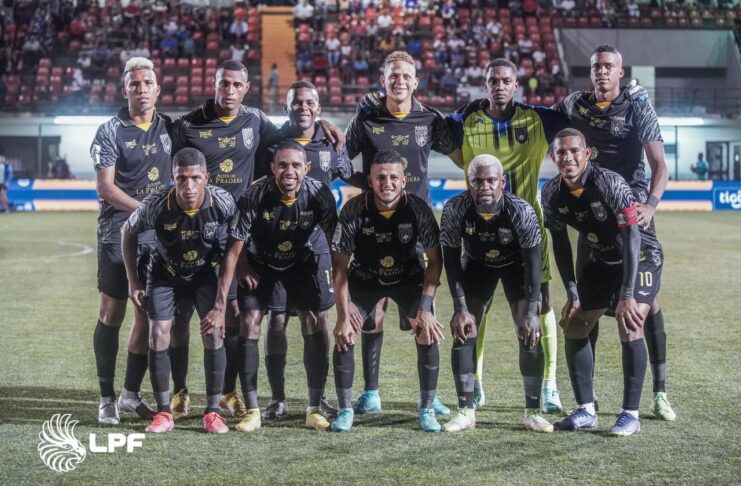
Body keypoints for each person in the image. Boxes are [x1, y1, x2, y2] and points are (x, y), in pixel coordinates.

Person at [172, 60, 345, 420]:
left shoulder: (256, 122)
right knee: (200, 314)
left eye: (237, 84)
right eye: (224, 83)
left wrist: (322, 123)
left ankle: (248, 394)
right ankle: (193, 391)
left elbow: (296, 130)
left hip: (272, 240)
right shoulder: (189, 124)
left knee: (280, 317)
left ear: (246, 88)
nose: (229, 90)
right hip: (218, 235)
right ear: (214, 83)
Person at [555, 45, 675, 421]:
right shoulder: (575, 105)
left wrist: (650, 206)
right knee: (584, 307)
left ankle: (659, 392)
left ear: (620, 72)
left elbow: (660, 166)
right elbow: (542, 120)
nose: (602, 72)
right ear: (590, 73)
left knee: (646, 306)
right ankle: (586, 403)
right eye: (597, 67)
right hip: (593, 219)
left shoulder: (638, 106)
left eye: (609, 66)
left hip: (631, 216)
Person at [446, 58, 569, 413]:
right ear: (485, 85)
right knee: (476, 307)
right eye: (493, 81)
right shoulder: (467, 122)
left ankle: (549, 385)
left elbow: (579, 119)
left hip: (527, 230)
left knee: (541, 303)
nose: (499, 86)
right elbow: (436, 130)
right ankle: (476, 382)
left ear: (516, 84)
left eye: (505, 80)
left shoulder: (538, 119)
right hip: (480, 231)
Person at [345, 50, 459, 417]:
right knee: (373, 314)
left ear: (415, 81)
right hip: (372, 224)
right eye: (393, 75)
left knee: (424, 313)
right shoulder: (366, 116)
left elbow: (460, 151)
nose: (399, 81)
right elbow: (341, 161)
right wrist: (369, 186)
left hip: (416, 226)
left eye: (406, 75)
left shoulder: (430, 119)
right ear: (383, 80)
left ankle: (430, 396)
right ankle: (371, 392)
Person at [541, 128, 662, 436]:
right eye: (561, 152)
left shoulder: (610, 183)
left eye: (574, 151)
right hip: (602, 257)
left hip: (641, 255)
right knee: (575, 323)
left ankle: (630, 415)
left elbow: (632, 237)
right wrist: (572, 291)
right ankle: (585, 410)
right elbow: (560, 243)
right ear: (553, 157)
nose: (568, 157)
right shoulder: (551, 193)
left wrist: (626, 295)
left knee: (630, 322)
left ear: (587, 154)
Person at [218, 139, 338, 432]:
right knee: (250, 322)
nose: (289, 171)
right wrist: (223, 299)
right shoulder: (254, 195)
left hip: (301, 262)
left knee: (313, 319)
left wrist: (343, 286)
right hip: (261, 264)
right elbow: (233, 249)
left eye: (296, 165)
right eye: (282, 164)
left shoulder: (320, 194)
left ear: (307, 168)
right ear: (272, 168)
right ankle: (253, 411)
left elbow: (335, 243)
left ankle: (313, 409)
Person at [259, 81, 358, 420]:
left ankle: (318, 399)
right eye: (296, 102)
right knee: (275, 321)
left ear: (319, 107)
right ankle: (278, 399)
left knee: (316, 319)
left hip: (315, 249)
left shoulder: (332, 142)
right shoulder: (270, 141)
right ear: (285, 107)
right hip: (274, 247)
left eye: (310, 102)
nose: (303, 107)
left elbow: (349, 176)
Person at [122, 147, 237, 434]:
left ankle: (213, 412)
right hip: (165, 274)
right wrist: (133, 281)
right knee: (158, 332)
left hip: (205, 274)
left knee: (213, 331)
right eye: (181, 178)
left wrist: (221, 303)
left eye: (195, 178)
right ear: (172, 177)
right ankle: (163, 413)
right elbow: (128, 231)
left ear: (206, 178)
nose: (188, 186)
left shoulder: (222, 202)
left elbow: (236, 244)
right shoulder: (156, 204)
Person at [330, 149, 445, 433]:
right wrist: (344, 312)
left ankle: (427, 408)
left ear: (404, 180)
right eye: (380, 177)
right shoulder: (354, 209)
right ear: (370, 180)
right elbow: (340, 266)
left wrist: (426, 308)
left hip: (408, 277)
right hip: (365, 278)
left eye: (394, 177)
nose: (387, 183)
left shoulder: (418, 209)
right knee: (345, 333)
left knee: (427, 330)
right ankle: (348, 409)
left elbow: (435, 261)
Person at [440, 154, 552, 433]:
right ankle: (466, 410)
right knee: (465, 330)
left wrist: (532, 310)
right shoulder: (455, 209)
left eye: (491, 180)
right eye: (477, 181)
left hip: (516, 267)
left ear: (502, 182)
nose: (485, 186)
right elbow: (451, 262)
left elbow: (533, 264)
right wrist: (460, 307)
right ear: (468, 182)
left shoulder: (521, 211)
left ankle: (533, 412)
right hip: (477, 266)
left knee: (529, 331)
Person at [90, 57, 172, 425]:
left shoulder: (170, 127)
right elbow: (105, 188)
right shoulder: (110, 131)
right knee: (112, 312)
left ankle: (130, 394)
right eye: (134, 84)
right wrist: (145, 210)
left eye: (147, 82)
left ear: (158, 89)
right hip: (117, 231)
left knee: (146, 313)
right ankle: (106, 398)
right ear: (124, 90)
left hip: (156, 237)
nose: (141, 89)